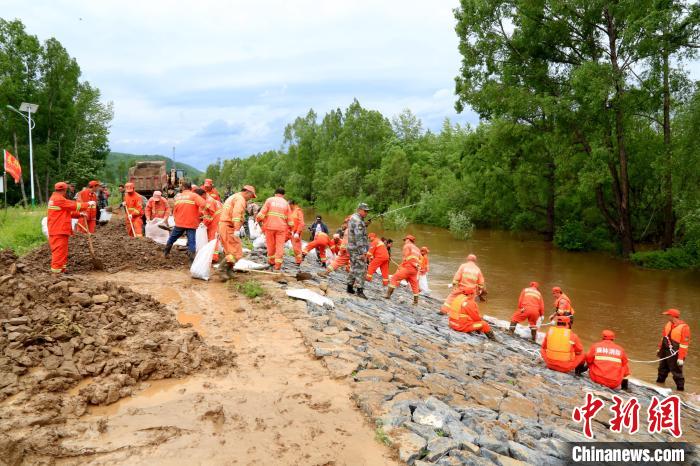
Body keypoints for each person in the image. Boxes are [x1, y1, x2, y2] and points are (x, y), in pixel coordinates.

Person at [47, 182, 91, 273]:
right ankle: (56, 273)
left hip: (59, 230)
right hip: (58, 230)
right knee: (59, 252)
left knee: (62, 252)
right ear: (64, 190)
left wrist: (79, 215)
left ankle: (61, 271)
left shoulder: (55, 198)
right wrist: (87, 204)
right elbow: (74, 205)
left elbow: (67, 212)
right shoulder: (59, 199)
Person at [218, 185, 257, 278]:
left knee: (230, 251)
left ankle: (229, 271)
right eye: (251, 196)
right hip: (229, 226)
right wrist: (236, 229)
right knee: (236, 252)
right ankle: (222, 270)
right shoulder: (240, 199)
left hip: (224, 225)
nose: (250, 199)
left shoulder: (234, 197)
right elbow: (237, 214)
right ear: (247, 192)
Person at [164, 181, 207, 262]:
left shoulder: (178, 197)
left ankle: (166, 253)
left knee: (172, 237)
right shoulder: (194, 196)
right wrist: (201, 213)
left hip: (180, 222)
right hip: (191, 223)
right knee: (192, 241)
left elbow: (174, 210)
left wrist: (176, 220)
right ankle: (191, 261)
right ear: (190, 187)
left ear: (183, 187)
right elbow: (204, 204)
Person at [256, 188, 293, 270]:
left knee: (270, 245)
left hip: (269, 227)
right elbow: (290, 220)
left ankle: (271, 261)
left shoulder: (269, 200)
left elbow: (261, 214)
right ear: (283, 195)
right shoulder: (286, 203)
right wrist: (292, 229)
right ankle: (278, 265)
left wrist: (257, 221)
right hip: (281, 228)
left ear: (275, 193)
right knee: (280, 246)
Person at [656, 309, 690, 391]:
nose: (666, 316)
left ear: (672, 316)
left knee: (676, 373)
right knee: (662, 369)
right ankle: (659, 385)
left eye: (668, 315)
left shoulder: (684, 328)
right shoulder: (668, 324)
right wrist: (659, 349)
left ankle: (680, 391)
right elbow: (664, 337)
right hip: (665, 349)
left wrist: (681, 358)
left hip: (675, 352)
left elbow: (684, 344)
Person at [385, 235, 421, 305]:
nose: (404, 241)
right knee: (415, 285)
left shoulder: (407, 246)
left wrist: (401, 266)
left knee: (394, 278)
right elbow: (418, 259)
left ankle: (388, 295)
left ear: (408, 240)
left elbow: (405, 257)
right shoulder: (417, 249)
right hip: (415, 269)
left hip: (408, 267)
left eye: (405, 240)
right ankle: (415, 302)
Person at [346, 203, 371, 298]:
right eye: (365, 211)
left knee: (353, 266)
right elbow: (359, 238)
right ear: (359, 209)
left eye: (367, 211)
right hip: (357, 249)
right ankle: (360, 290)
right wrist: (363, 252)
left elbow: (356, 229)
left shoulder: (353, 217)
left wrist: (365, 224)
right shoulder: (358, 221)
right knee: (361, 268)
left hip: (352, 247)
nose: (366, 213)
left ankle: (349, 287)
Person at [201, 188, 223, 262]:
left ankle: (214, 257)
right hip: (218, 220)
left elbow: (209, 216)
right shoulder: (211, 200)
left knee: (213, 239)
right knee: (215, 238)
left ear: (203, 195)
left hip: (215, 221)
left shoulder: (209, 201)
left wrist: (203, 224)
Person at [289, 200, 305, 266]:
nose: (288, 207)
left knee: (296, 248)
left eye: (288, 205)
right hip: (291, 232)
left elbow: (302, 223)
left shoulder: (298, 211)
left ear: (292, 204)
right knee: (294, 247)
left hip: (296, 233)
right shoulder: (290, 211)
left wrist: (298, 233)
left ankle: (298, 262)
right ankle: (298, 260)